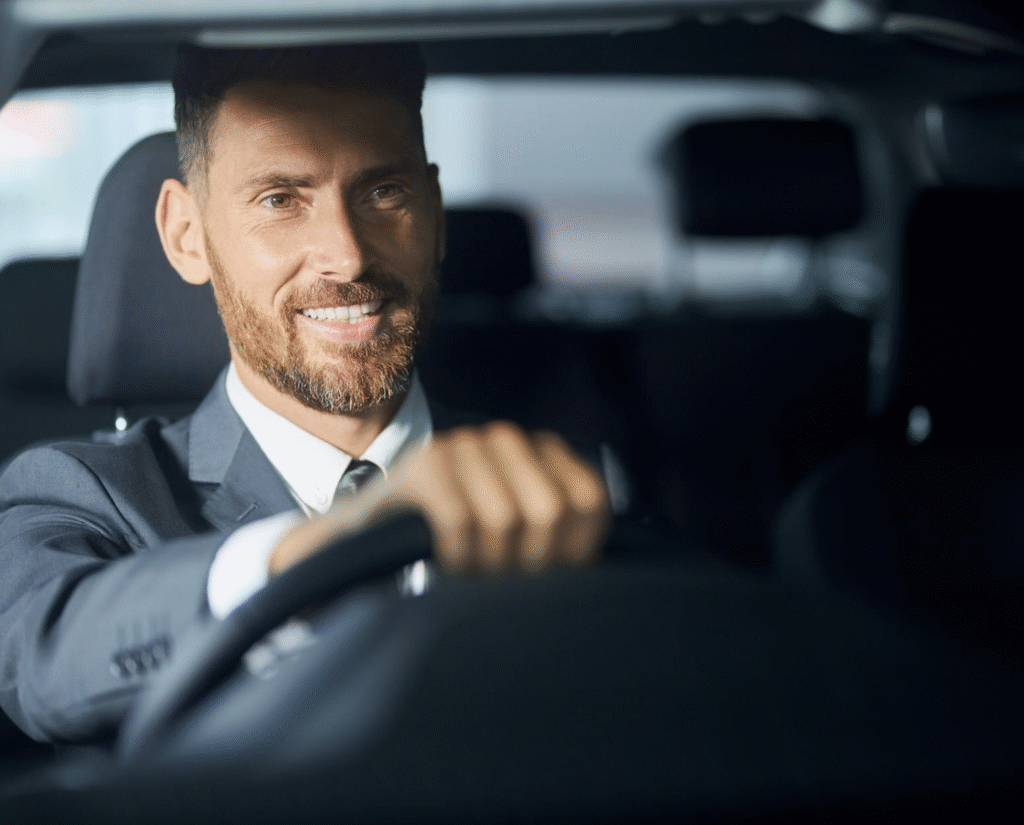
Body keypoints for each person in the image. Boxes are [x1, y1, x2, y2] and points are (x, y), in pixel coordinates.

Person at [0, 43, 611, 746]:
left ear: (436, 216)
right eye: (281, 201)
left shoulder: (565, 486)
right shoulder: (89, 494)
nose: (347, 256)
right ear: (186, 235)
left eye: (384, 193)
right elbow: (44, 653)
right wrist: (330, 547)